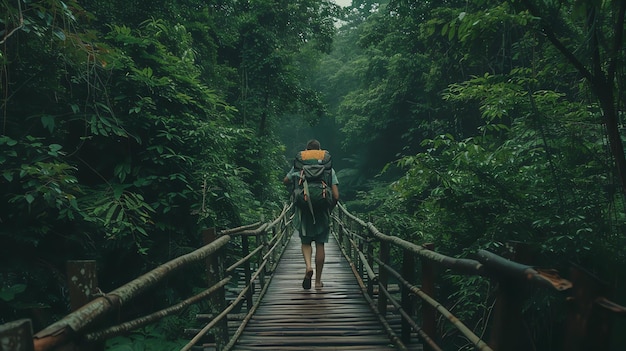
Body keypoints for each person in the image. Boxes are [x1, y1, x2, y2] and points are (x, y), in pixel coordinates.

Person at [283, 139, 339, 290]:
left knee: (306, 242)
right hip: (322, 212)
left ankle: (308, 267)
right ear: (320, 151)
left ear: (306, 152)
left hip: (303, 211)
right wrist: (329, 208)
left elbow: (286, 180)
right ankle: (318, 282)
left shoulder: (299, 167)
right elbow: (336, 195)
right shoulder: (328, 170)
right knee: (320, 244)